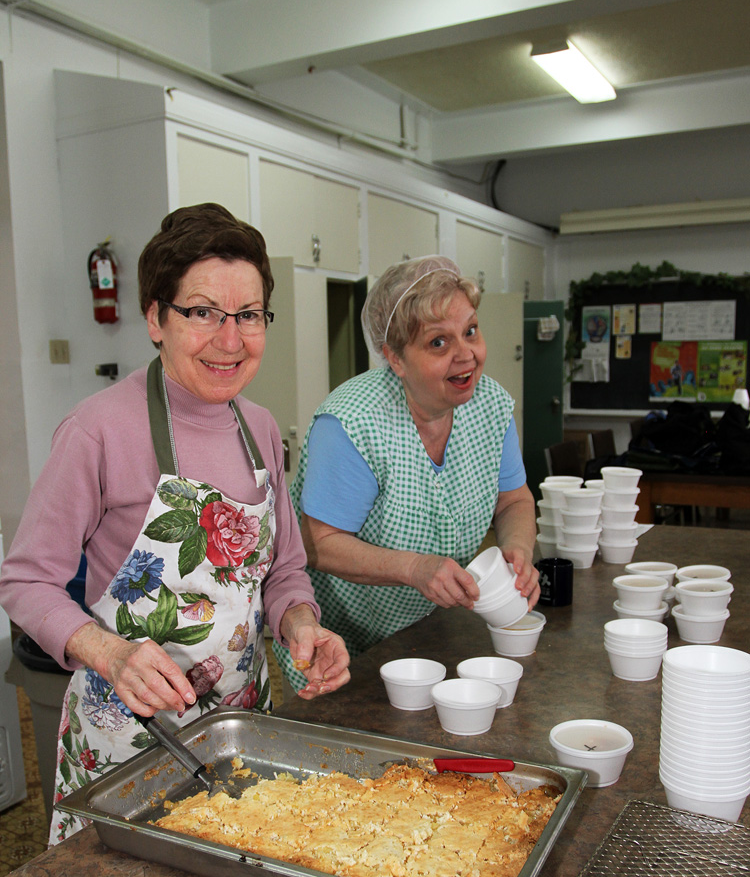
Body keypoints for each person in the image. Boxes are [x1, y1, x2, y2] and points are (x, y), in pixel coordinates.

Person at [0, 203, 349, 842]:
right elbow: (25, 583)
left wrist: (301, 623)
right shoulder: (99, 430)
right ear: (156, 319)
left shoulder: (262, 429)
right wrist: (110, 653)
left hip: (239, 732)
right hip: (129, 740)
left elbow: (285, 569)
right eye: (201, 312)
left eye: (247, 315)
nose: (230, 338)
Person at [274, 255, 539, 691]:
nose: (466, 354)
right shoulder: (353, 424)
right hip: (343, 647)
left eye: (470, 331)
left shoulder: (490, 406)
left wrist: (518, 549)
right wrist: (414, 568)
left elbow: (513, 499)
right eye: (438, 343)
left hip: (433, 631)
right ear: (395, 358)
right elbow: (317, 544)